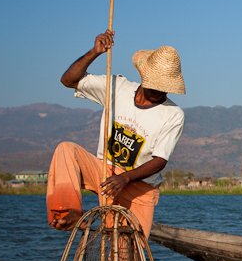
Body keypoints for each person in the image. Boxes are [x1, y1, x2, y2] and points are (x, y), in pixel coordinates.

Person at [46, 29, 186, 238]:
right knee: (66, 150)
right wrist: (95, 52)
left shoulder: (173, 114)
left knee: (126, 256)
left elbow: (160, 160)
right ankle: (68, 213)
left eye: (165, 88)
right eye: (156, 85)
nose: (160, 91)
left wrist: (125, 179)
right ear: (144, 77)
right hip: (104, 173)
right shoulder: (118, 87)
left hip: (139, 187)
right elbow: (68, 80)